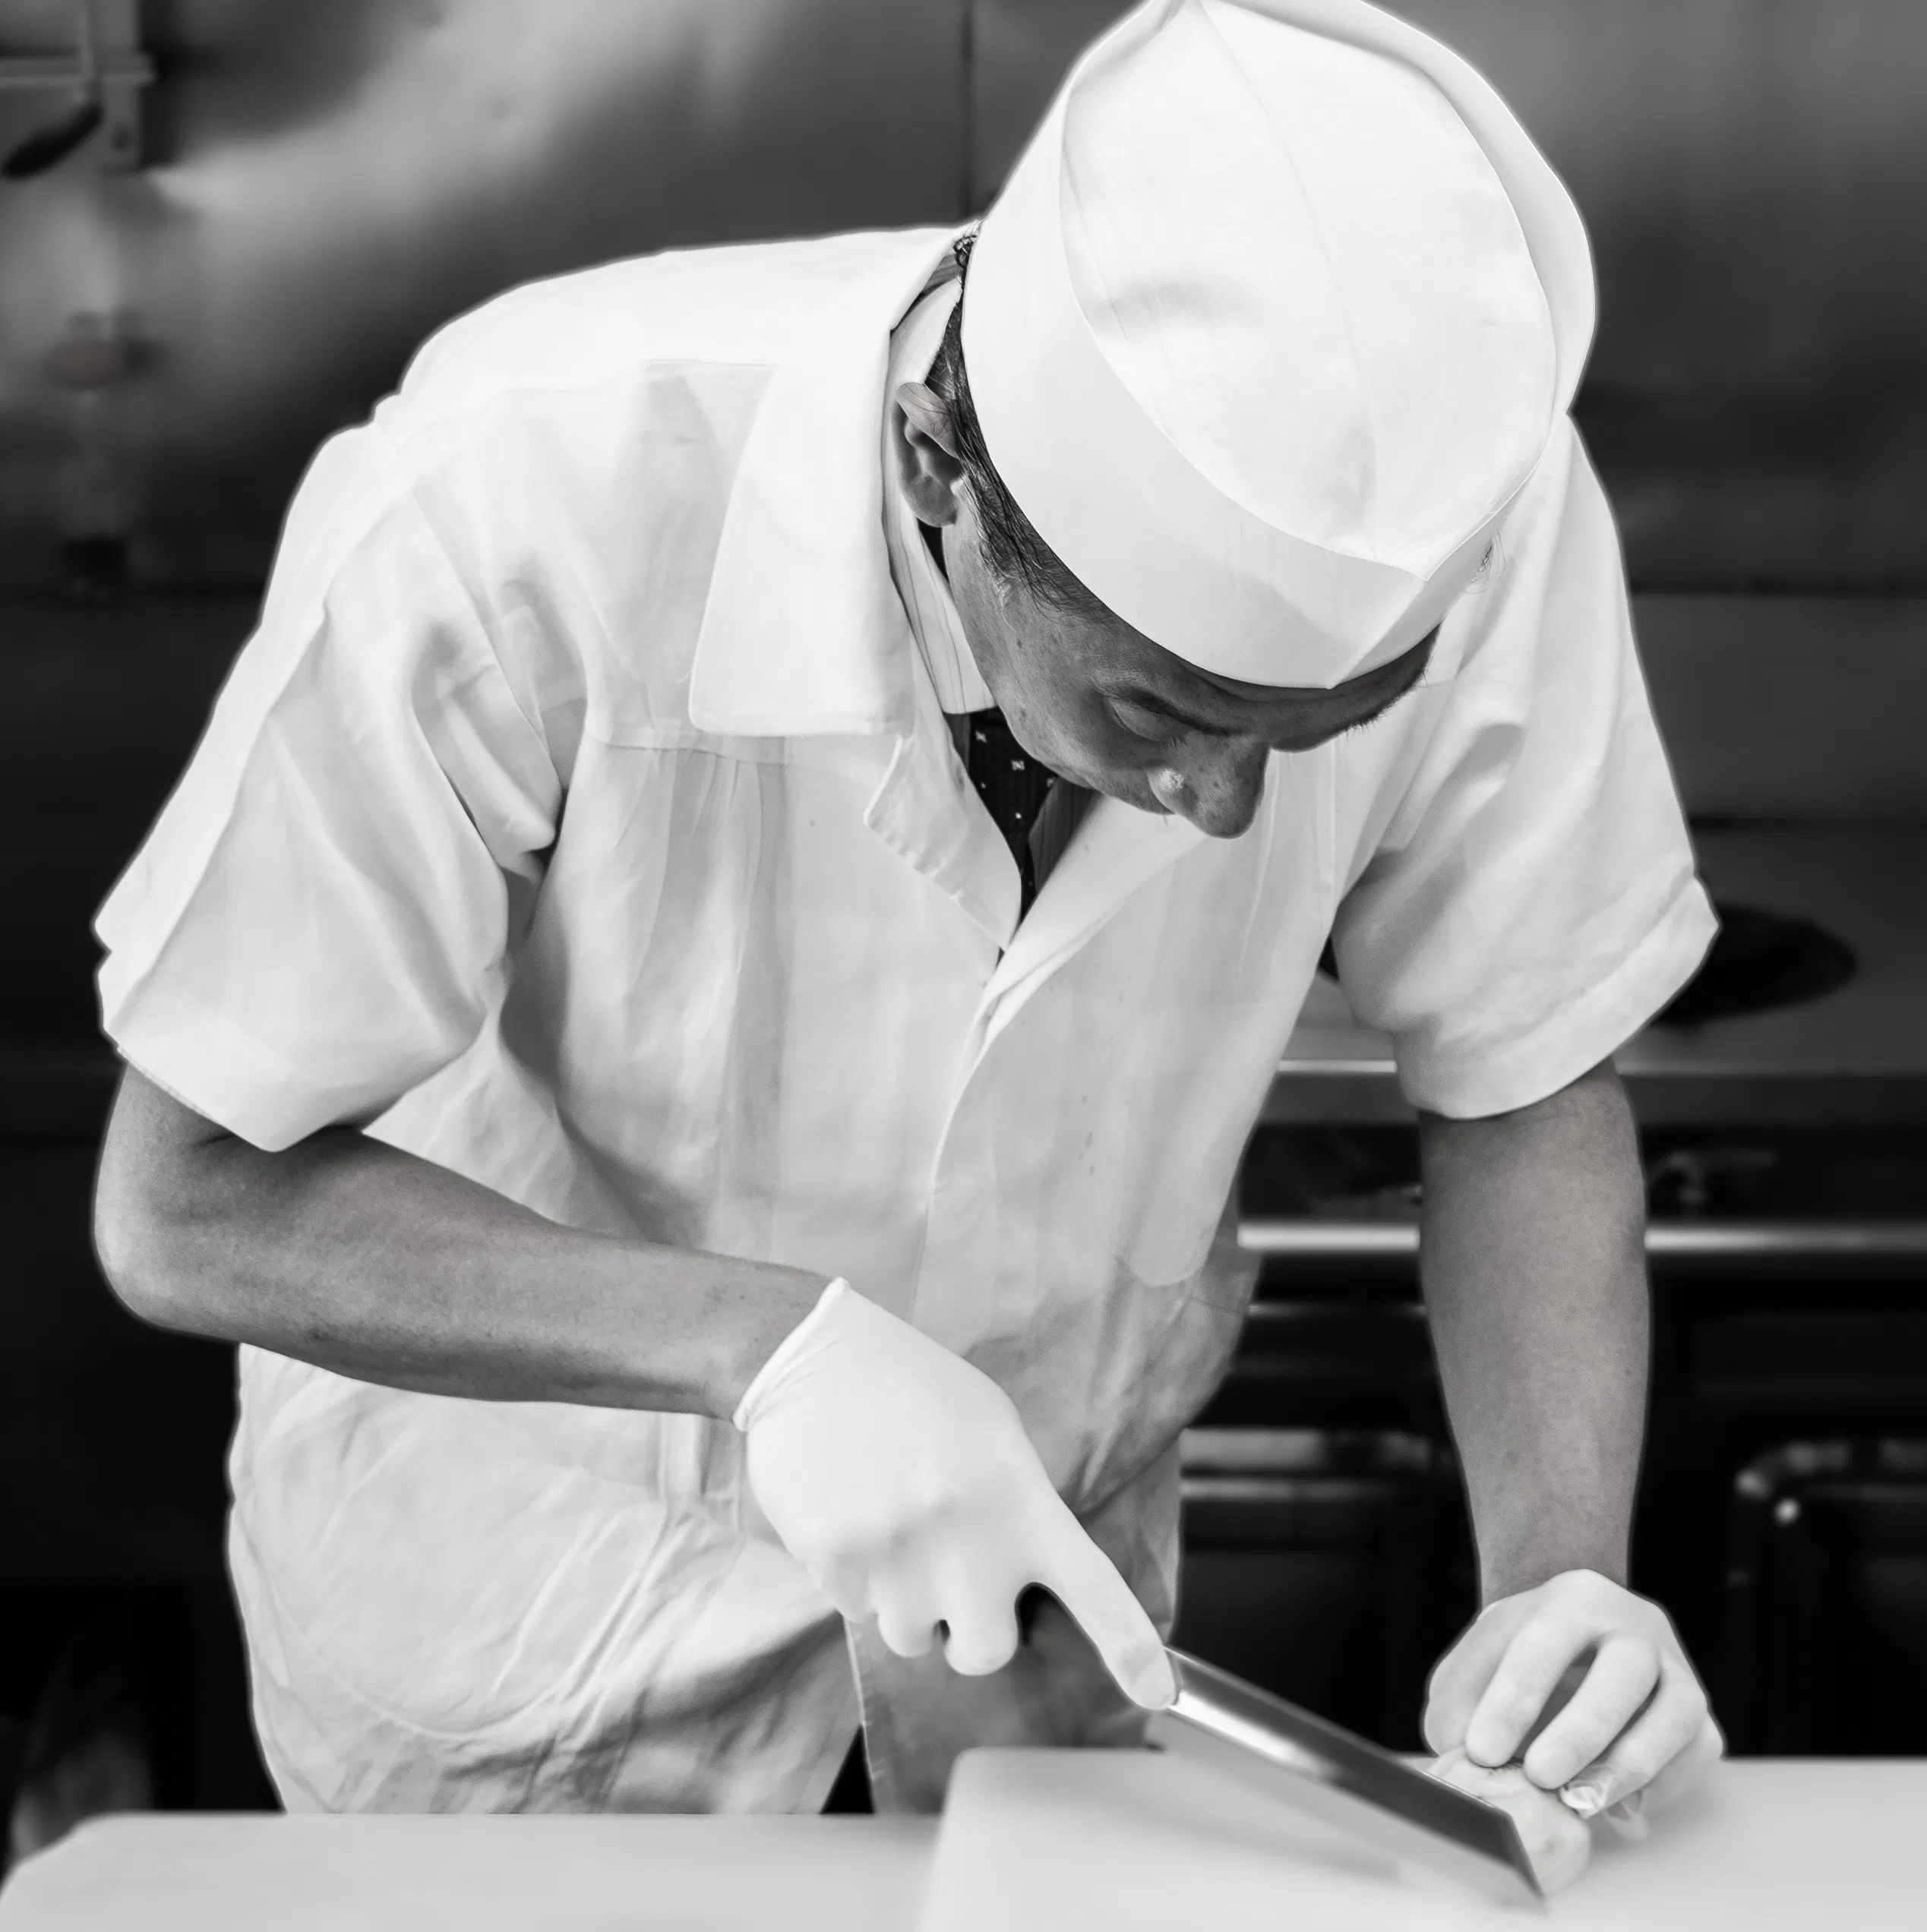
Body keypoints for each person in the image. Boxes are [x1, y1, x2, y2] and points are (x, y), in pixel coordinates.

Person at [88, 0, 1724, 1819]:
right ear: (941, 469)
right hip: (530, 1646)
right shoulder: (520, 493)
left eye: (1318, 730)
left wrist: (1559, 1587)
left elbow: (1522, 1079)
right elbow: (188, 1204)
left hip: (1034, 1659)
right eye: (1158, 712)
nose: (1229, 808)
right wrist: (765, 1347)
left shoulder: (1465, 519)